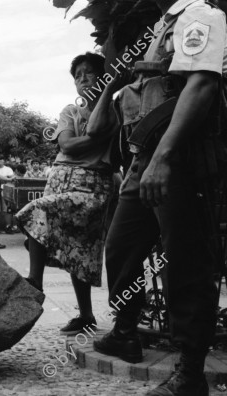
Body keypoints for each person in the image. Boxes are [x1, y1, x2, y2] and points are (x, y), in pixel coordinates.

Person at [93, 1, 227, 394]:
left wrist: (166, 155)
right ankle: (124, 330)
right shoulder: (160, 27)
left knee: (186, 261)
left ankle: (189, 373)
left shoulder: (201, 14)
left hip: (181, 154)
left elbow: (203, 83)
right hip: (144, 155)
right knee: (120, 248)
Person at [15, 52, 120, 336]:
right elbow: (68, 145)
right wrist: (95, 141)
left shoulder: (115, 107)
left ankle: (35, 281)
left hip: (93, 184)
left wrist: (83, 141)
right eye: (77, 75)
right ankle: (85, 315)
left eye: (89, 72)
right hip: (60, 180)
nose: (82, 78)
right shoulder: (69, 111)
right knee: (76, 247)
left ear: (104, 76)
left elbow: (77, 143)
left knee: (43, 216)